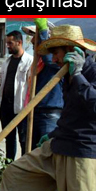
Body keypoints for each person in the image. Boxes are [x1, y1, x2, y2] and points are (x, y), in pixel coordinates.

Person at [0, 25, 96, 191]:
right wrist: (53, 134)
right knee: (16, 174)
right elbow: (70, 115)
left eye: (56, 53)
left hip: (82, 150)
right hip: (59, 144)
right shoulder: (66, 75)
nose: (54, 59)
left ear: (71, 50)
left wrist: (79, 75)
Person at [22, 19, 64, 150]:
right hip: (34, 111)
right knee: (29, 153)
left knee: (44, 153)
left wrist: (43, 31)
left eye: (37, 39)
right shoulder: (37, 64)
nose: (34, 42)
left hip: (49, 116)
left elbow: (47, 57)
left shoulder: (56, 62)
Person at [0, 30, 33, 160]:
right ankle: (8, 165)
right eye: (7, 43)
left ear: (19, 43)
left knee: (23, 140)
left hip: (20, 108)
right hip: (5, 107)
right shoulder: (6, 62)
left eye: (10, 43)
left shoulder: (29, 61)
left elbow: (31, 87)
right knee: (8, 138)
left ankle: (23, 167)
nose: (7, 46)